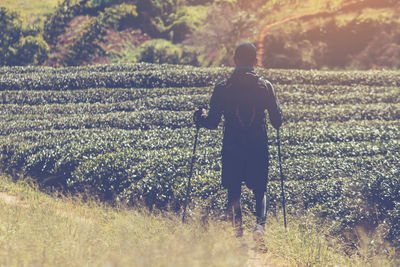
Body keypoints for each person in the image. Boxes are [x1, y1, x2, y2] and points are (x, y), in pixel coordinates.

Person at [193, 42, 283, 241]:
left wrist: (200, 117)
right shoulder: (265, 86)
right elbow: (277, 121)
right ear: (255, 61)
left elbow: (212, 123)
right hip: (258, 146)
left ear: (235, 60)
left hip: (232, 146)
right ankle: (260, 227)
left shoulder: (222, 88)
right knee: (260, 188)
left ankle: (237, 233)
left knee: (233, 189)